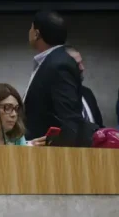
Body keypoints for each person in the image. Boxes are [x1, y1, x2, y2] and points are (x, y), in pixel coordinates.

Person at [23, 11, 90, 147]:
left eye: (30, 28)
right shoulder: (51, 60)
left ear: (36, 34)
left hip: (52, 156)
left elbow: (69, 119)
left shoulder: (59, 64)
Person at [65, 45, 103, 128]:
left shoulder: (87, 93)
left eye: (81, 62)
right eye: (77, 64)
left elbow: (99, 126)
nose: (82, 68)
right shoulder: (52, 97)